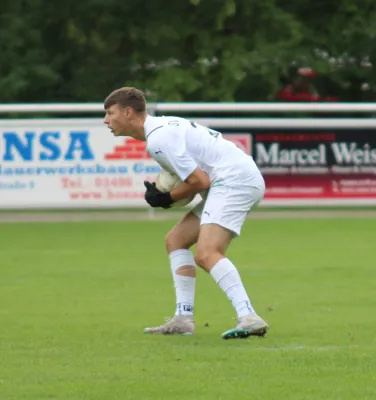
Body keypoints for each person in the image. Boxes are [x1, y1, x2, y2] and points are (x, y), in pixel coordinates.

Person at [103, 87, 269, 339]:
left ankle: (249, 316)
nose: (106, 120)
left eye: (110, 113)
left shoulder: (158, 140)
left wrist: (167, 197)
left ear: (128, 113)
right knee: (176, 240)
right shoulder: (161, 129)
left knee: (207, 253)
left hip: (234, 180)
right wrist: (171, 195)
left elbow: (199, 182)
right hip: (234, 178)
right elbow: (195, 183)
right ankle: (183, 318)